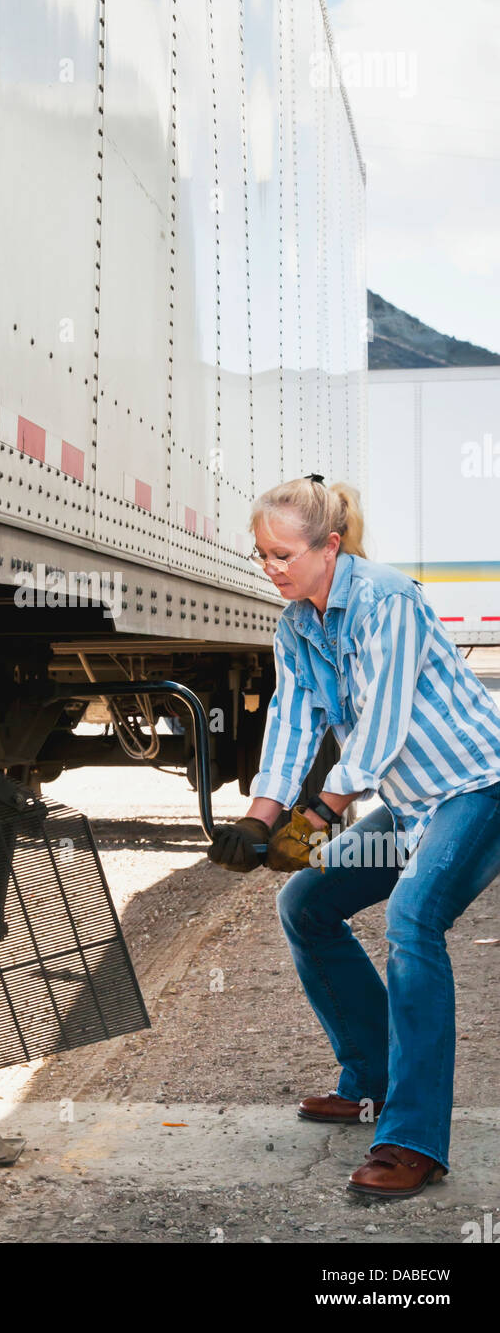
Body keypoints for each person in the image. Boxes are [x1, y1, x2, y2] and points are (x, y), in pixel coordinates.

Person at [208, 474, 500, 1199]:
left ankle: (412, 1140)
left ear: (328, 546)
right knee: (305, 903)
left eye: (283, 554)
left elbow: (380, 724)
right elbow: (291, 720)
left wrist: (315, 817)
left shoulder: (384, 598)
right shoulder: (297, 624)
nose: (271, 568)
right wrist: (258, 817)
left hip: (474, 790)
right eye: (260, 556)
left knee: (411, 919)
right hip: (410, 805)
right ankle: (368, 1079)